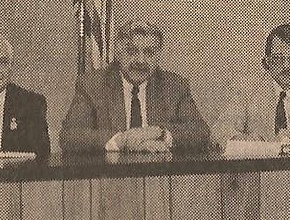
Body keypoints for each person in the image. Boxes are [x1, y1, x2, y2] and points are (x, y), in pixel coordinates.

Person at [61, 23, 211, 153]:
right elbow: (70, 136)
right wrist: (123, 140)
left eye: (149, 52)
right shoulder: (93, 84)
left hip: (159, 177)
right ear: (118, 53)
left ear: (158, 55)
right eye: (132, 51)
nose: (140, 60)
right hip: (109, 179)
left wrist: (159, 134)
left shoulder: (174, 86)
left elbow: (201, 132)